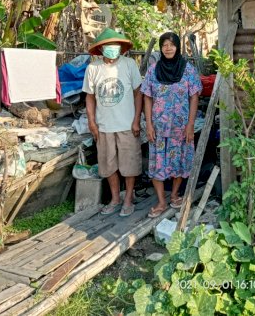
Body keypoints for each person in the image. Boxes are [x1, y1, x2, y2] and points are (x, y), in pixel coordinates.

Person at [141, 32, 202, 218]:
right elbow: (147, 97)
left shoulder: (188, 69)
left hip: (180, 127)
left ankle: (174, 195)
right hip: (158, 128)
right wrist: (149, 125)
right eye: (164, 44)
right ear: (160, 47)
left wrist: (190, 125)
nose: (168, 48)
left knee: (179, 161)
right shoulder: (153, 70)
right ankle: (161, 201)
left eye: (172, 44)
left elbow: (194, 97)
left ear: (178, 47)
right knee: (157, 164)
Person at [83, 28, 143, 217]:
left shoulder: (129, 64)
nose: (112, 49)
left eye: (115, 46)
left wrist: (136, 120)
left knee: (129, 164)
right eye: (108, 46)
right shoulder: (93, 68)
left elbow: (138, 93)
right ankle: (116, 198)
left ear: (121, 48)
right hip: (104, 126)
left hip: (127, 125)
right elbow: (90, 97)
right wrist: (92, 122)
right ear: (101, 49)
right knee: (108, 165)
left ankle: (128, 199)